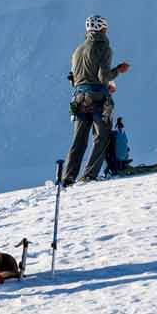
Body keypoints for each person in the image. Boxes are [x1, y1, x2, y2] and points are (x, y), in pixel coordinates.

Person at [63, 15, 129, 186]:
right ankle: (89, 175)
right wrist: (118, 70)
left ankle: (68, 177)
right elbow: (103, 76)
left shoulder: (78, 50)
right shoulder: (103, 47)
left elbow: (75, 80)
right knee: (102, 136)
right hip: (98, 99)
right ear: (102, 28)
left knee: (79, 140)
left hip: (79, 98)